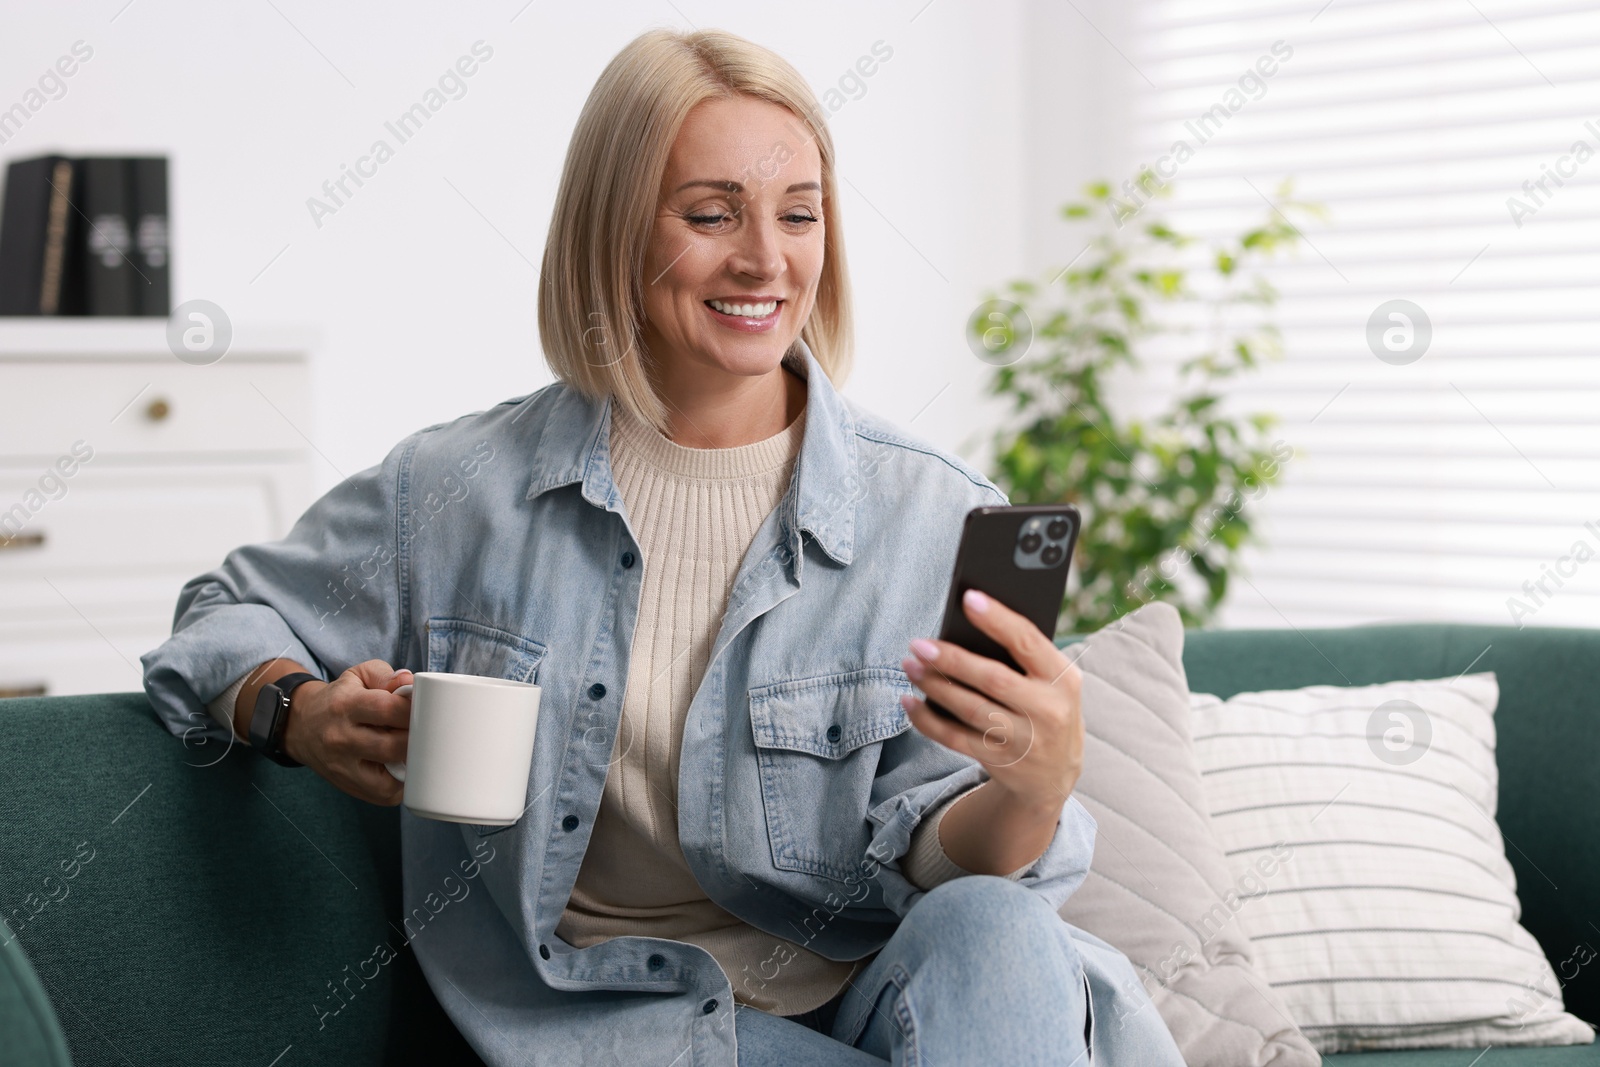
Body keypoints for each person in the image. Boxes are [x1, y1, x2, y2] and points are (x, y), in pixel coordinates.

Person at [141, 27, 1184, 1067]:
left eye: (798, 214)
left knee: (1001, 925)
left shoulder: (926, 512)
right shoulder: (462, 489)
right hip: (619, 1025)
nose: (765, 260)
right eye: (710, 213)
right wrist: (298, 709)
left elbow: (941, 860)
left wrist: (1030, 790)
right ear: (615, 230)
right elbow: (220, 617)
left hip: (880, 999)